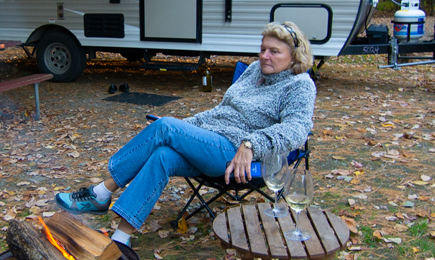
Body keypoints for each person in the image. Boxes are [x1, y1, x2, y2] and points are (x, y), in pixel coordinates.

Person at [54, 22, 316, 246]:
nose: (264, 56)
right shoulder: (253, 71)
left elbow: (295, 131)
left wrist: (250, 144)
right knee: (163, 155)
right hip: (209, 143)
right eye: (262, 49)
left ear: (293, 56)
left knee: (166, 126)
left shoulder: (299, 85)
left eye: (274, 51)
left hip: (234, 155)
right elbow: (220, 112)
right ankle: (121, 239)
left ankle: (101, 192)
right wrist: (186, 128)